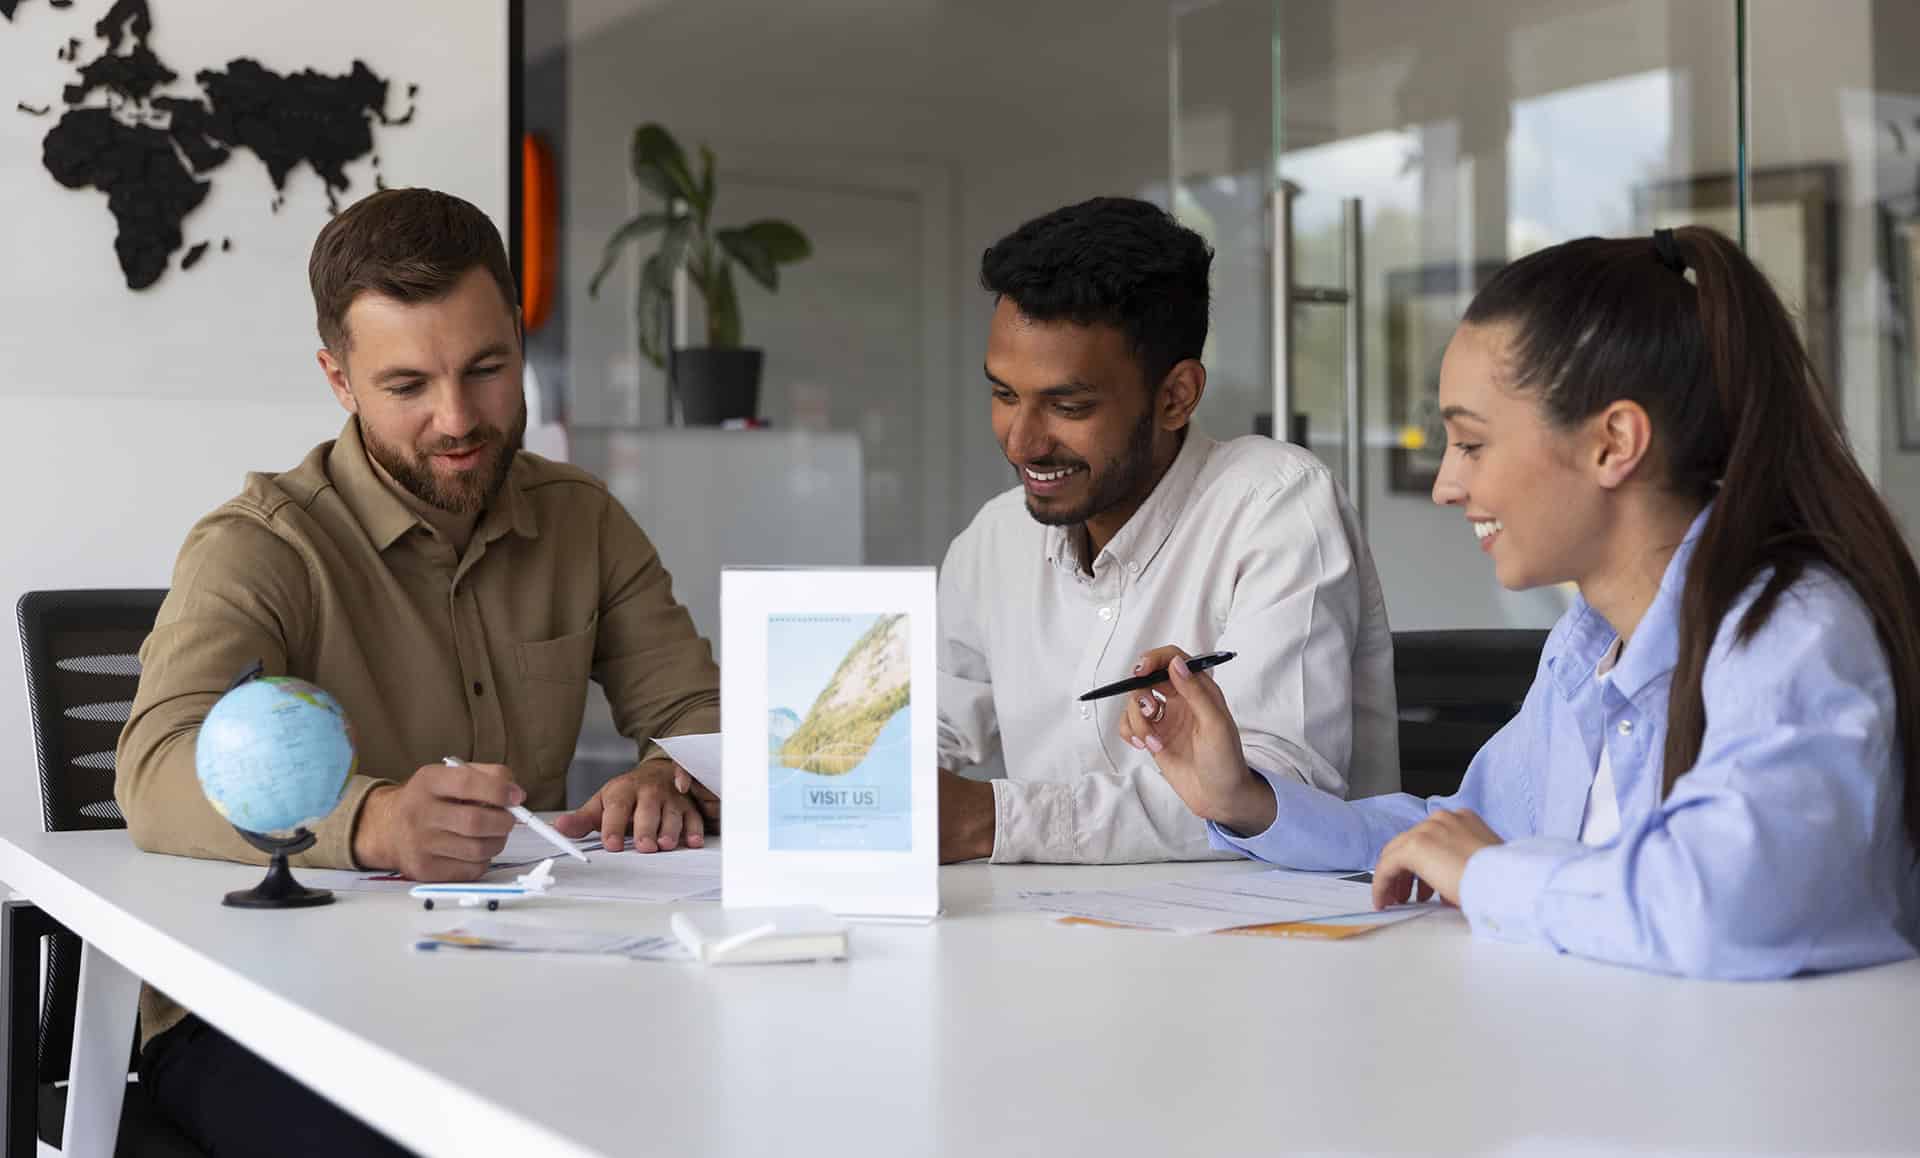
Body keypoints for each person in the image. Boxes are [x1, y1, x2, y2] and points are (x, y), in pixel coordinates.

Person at [1122, 226, 1920, 978]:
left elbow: (1726, 904)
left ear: (1613, 443)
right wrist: (1249, 801)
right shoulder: (1588, 644)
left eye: (1471, 442)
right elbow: (1457, 834)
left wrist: (1493, 873)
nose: (1446, 484)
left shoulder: (1792, 633)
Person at [116, 188, 721, 1153]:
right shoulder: (260, 546)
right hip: (267, 1009)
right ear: (339, 379)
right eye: (407, 387)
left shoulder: (583, 519)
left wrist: (668, 772)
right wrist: (378, 821)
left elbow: (695, 707)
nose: (458, 419)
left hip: (521, 972)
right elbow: (152, 770)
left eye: (488, 368)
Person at [937, 196, 1399, 864]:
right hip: (1051, 934)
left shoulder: (1277, 505)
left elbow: (1275, 788)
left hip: (1274, 942)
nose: (1022, 442)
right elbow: (930, 734)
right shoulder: (994, 539)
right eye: (1005, 395)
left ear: (1176, 396)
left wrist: (994, 819)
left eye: (1067, 406)